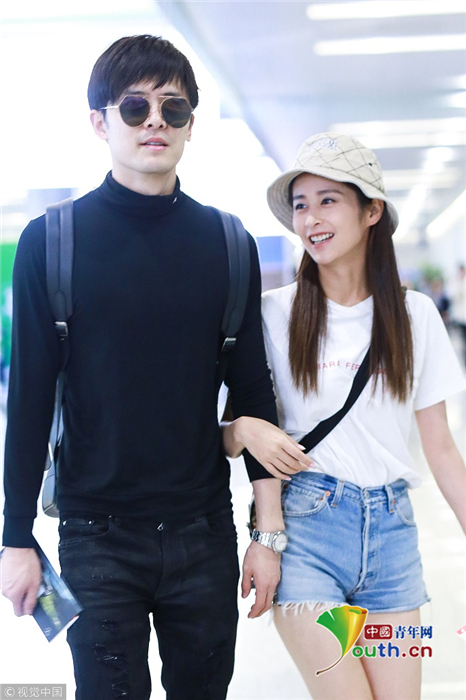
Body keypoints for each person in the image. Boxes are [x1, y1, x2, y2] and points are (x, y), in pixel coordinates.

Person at [0, 35, 310, 700]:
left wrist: (268, 537)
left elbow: (253, 393)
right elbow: (28, 401)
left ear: (191, 125)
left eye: (173, 109)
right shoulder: (51, 243)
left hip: (203, 532)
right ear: (100, 122)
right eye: (135, 107)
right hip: (96, 537)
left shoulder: (227, 244)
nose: (155, 123)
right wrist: (15, 538)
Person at [222, 132, 466, 700]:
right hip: (308, 532)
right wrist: (244, 430)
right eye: (301, 205)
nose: (311, 219)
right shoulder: (272, 314)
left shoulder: (414, 315)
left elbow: (441, 447)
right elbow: (223, 434)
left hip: (394, 540)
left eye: (328, 201)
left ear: (371, 211)